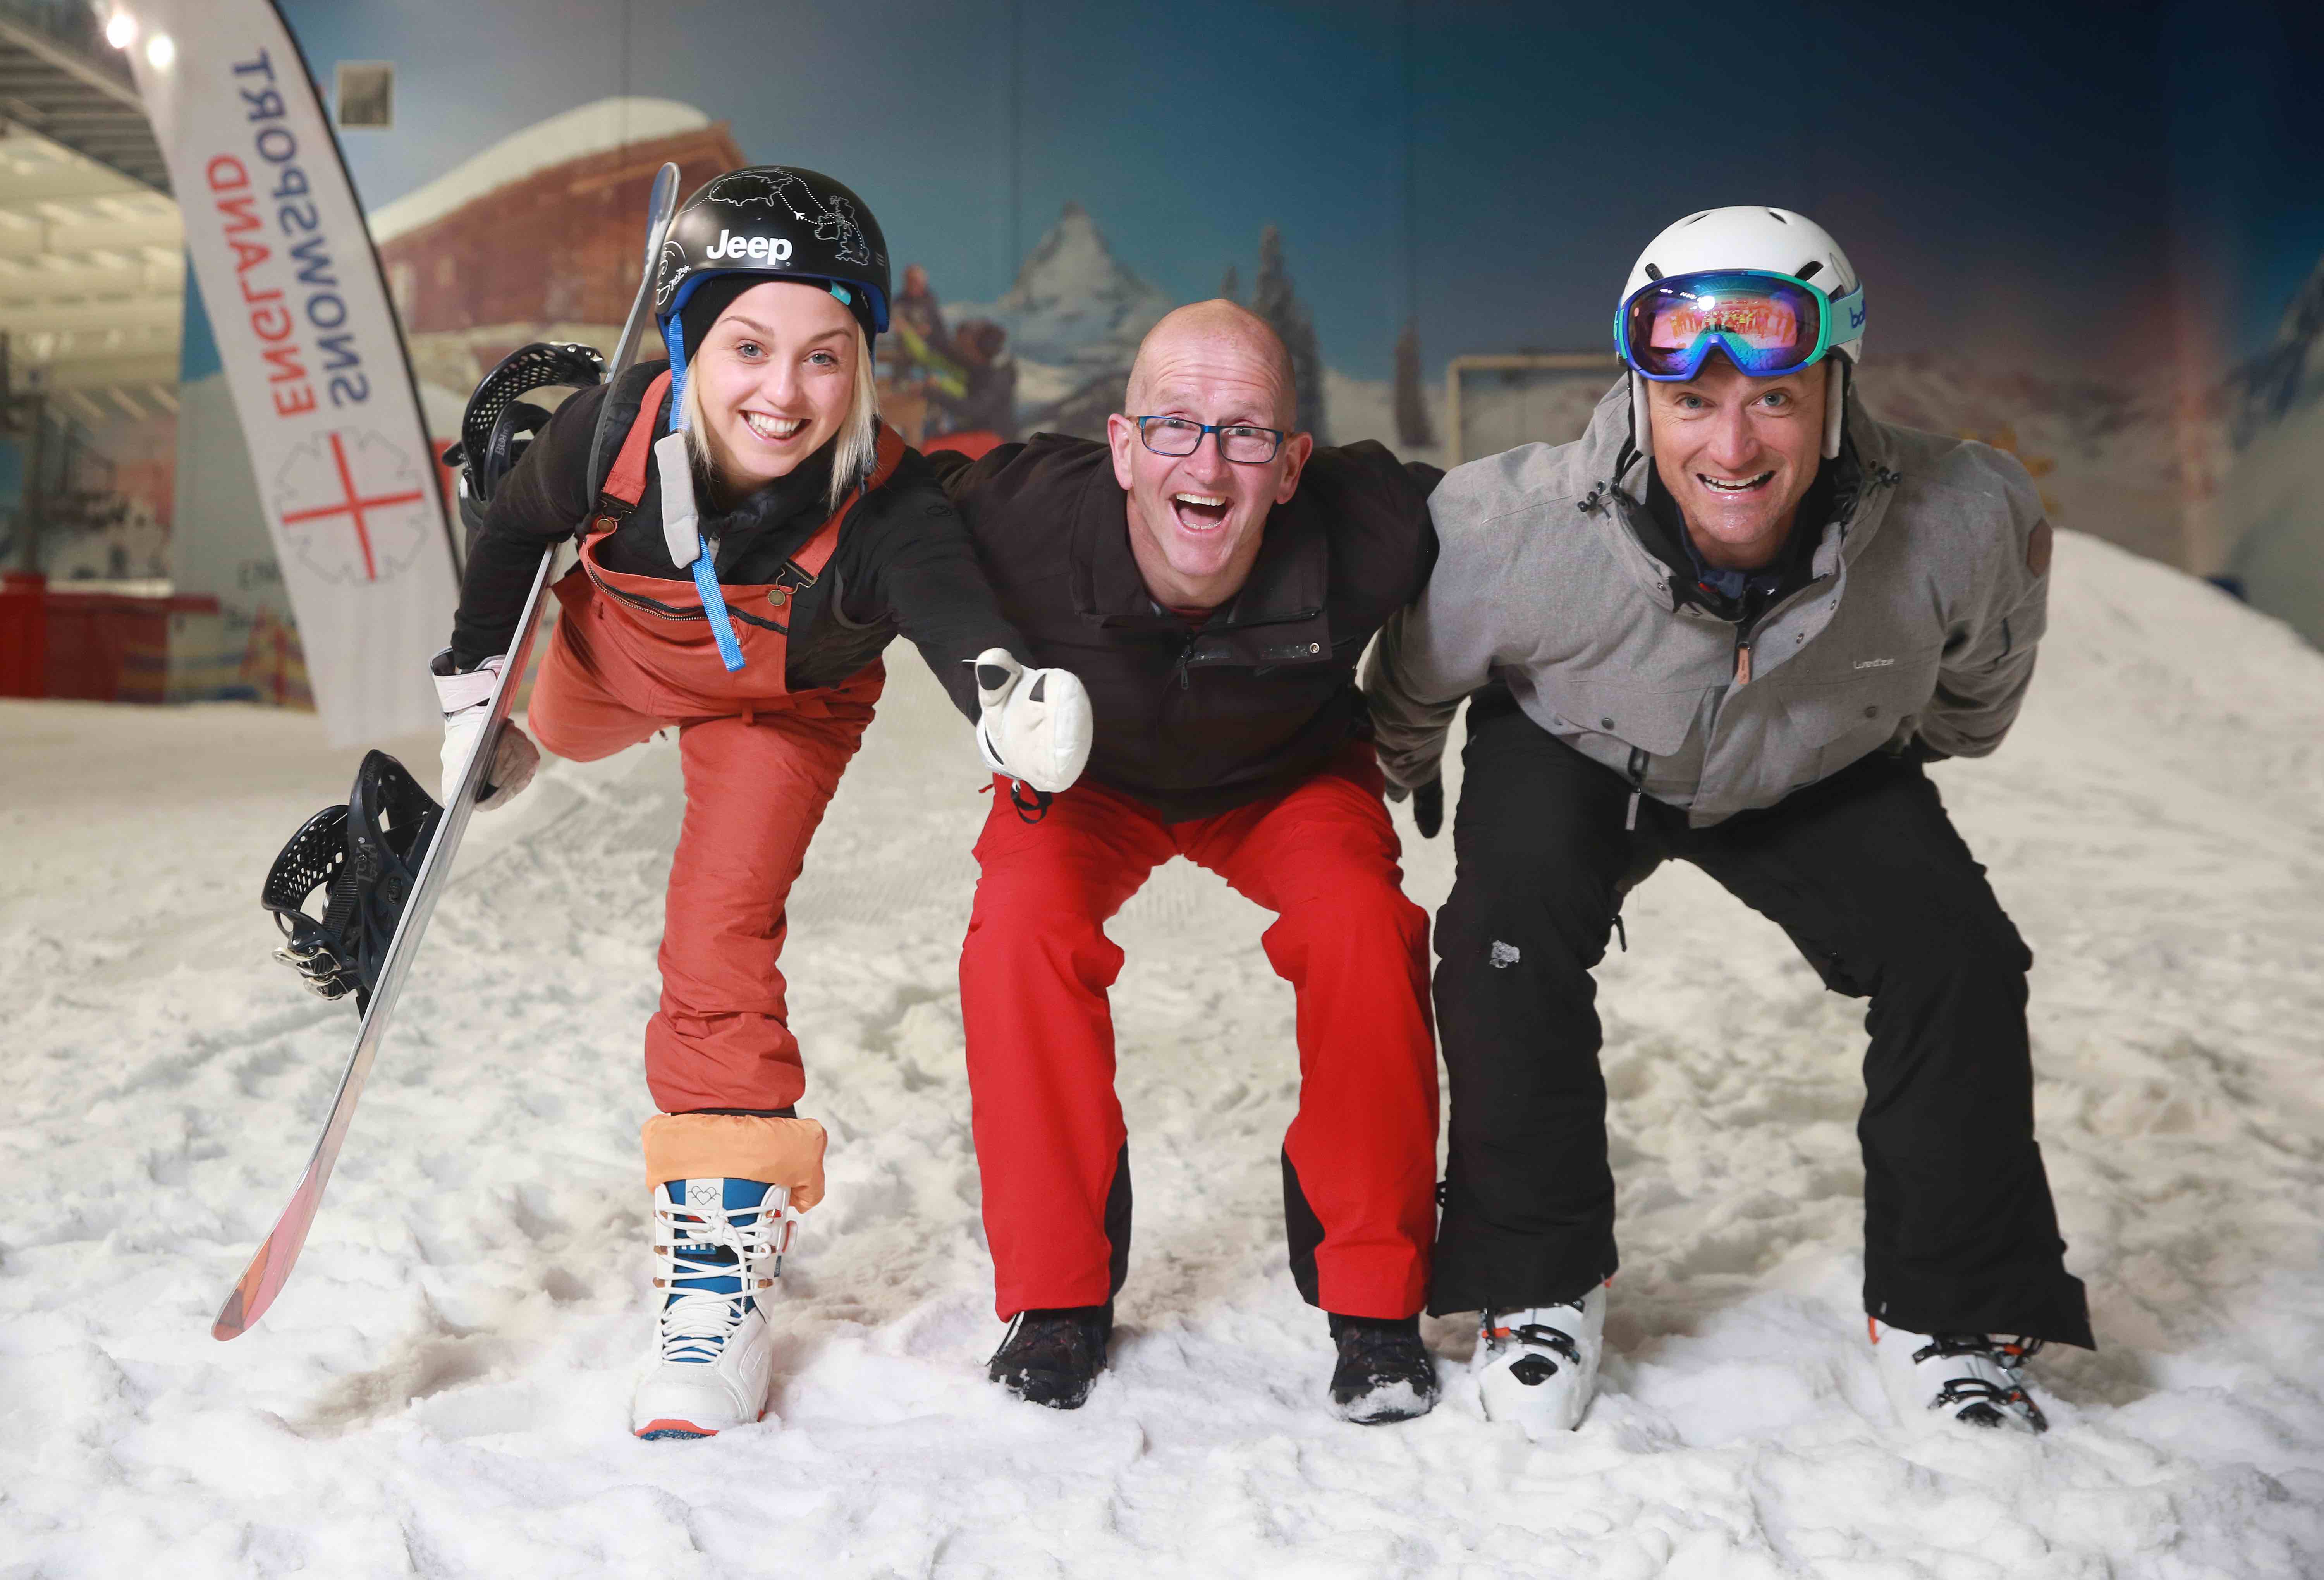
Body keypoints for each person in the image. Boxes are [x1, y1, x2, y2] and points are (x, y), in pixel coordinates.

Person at [1363, 206, 2091, 1438]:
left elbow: (1976, 703)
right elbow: (1411, 691)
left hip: (1813, 759)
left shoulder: (1963, 516)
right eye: (1691, 400)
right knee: (1503, 937)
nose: (1732, 441)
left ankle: (1947, 1310)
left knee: (1955, 954)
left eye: (1774, 399)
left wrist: (1855, 733)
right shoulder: (1512, 528)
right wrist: (1412, 773)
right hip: (1581, 746)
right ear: (1639, 394)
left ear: (1836, 388)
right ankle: (1537, 1284)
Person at [432, 166, 1092, 1442]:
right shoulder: (607, 431)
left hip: (777, 708)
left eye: (826, 357)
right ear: (686, 339)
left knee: (717, 933)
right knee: (556, 723)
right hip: (616, 652)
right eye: (748, 346)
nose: (783, 396)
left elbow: (962, 618)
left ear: (863, 364)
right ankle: (523, 744)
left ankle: (717, 1271)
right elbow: (514, 535)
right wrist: (474, 700)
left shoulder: (890, 507)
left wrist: (1011, 705)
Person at [925, 301, 1445, 1423]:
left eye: (1246, 431)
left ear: (1292, 464)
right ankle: (1057, 1298)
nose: (1207, 461)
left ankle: (1374, 1296)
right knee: (1018, 928)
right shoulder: (1019, 513)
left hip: (1284, 780)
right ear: (1122, 448)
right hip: (1086, 777)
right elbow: (872, 519)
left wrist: (1441, 719)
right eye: (1174, 426)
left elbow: (1535, 538)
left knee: (1365, 924)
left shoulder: (1376, 524)